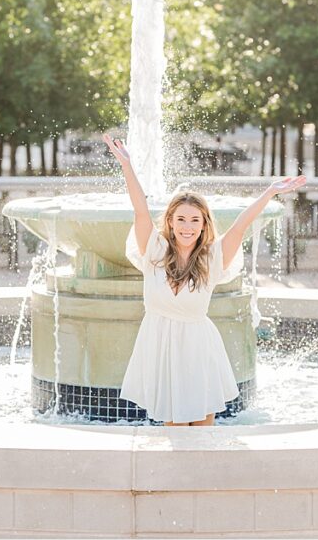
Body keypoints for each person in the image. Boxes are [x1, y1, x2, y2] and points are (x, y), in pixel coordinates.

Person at [103, 133, 306, 425]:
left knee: (201, 428)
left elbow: (240, 226)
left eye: (195, 220)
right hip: (160, 346)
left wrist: (270, 192)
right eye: (181, 219)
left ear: (203, 225)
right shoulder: (154, 250)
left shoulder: (212, 258)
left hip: (199, 349)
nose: (187, 227)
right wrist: (126, 165)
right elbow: (140, 210)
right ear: (170, 222)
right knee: (173, 428)